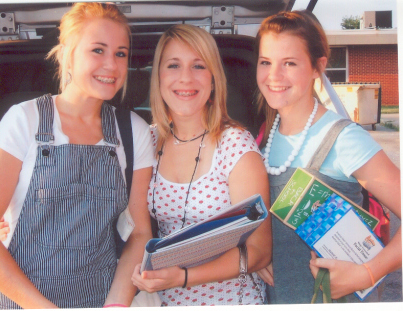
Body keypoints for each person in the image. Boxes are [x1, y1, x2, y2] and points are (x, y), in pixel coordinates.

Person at [0, 2, 154, 309]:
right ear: (68, 55)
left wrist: (117, 303)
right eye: (98, 50)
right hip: (20, 301)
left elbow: (140, 232)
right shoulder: (24, 119)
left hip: (102, 300)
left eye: (121, 53)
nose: (112, 65)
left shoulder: (133, 132)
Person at [254, 10, 401, 304]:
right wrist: (261, 254)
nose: (274, 75)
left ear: (317, 67)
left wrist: (368, 273)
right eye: (265, 62)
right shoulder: (262, 138)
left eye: (290, 63)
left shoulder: (343, 139)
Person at [130, 24, 272, 306]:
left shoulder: (235, 146)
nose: (185, 78)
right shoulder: (147, 140)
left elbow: (260, 251)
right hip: (165, 299)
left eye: (198, 66)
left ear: (213, 78)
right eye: (173, 65)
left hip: (231, 300)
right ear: (157, 76)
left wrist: (183, 277)